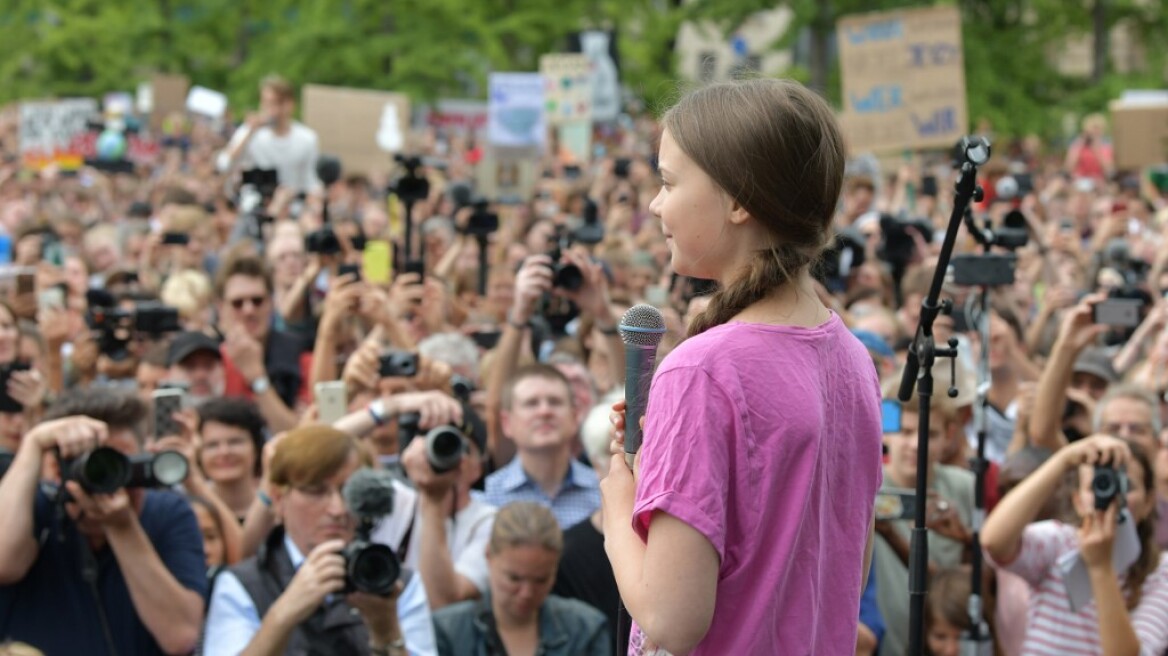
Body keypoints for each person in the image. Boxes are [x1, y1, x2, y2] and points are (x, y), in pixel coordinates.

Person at [602, 79, 883, 655]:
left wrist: (618, 503)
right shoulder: (852, 358)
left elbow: (672, 621)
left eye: (668, 182)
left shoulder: (701, 370)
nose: (655, 204)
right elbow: (843, 566)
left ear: (738, 200)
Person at [0, 389, 207, 655]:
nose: (107, 480)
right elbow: (3, 563)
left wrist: (122, 527)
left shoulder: (169, 514)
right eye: (94, 464)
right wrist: (33, 444)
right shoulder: (33, 507)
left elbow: (180, 636)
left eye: (120, 463)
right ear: (56, 469)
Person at [203, 424, 436, 655]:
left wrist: (386, 629)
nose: (337, 509)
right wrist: (283, 614)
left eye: (348, 490)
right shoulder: (243, 584)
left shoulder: (396, 582)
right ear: (278, 499)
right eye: (316, 491)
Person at [981, 436, 1168, 653]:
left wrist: (1101, 567)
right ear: (1078, 500)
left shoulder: (1159, 572)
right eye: (1098, 484)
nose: (1113, 495)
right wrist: (1063, 459)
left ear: (1148, 502)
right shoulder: (1058, 542)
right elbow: (994, 541)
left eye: (1126, 485)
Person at [431, 501, 609, 655]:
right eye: (514, 578)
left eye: (541, 580)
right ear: (488, 556)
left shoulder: (586, 629)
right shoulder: (447, 630)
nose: (527, 593)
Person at [483, 364, 600, 529]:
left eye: (555, 402)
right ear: (507, 423)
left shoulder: (603, 492)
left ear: (575, 417)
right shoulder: (488, 496)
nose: (545, 411)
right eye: (531, 403)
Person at [215, 253, 307, 432]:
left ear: (271, 303)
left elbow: (299, 438)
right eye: (237, 303)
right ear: (221, 308)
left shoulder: (301, 357)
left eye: (257, 301)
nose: (249, 310)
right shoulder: (209, 362)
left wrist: (257, 378)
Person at [217, 75, 321, 195]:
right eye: (265, 102)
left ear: (289, 105)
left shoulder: (307, 138)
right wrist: (250, 132)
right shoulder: (249, 131)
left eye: (274, 103)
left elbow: (309, 179)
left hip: (290, 203)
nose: (269, 109)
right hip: (254, 200)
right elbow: (224, 164)